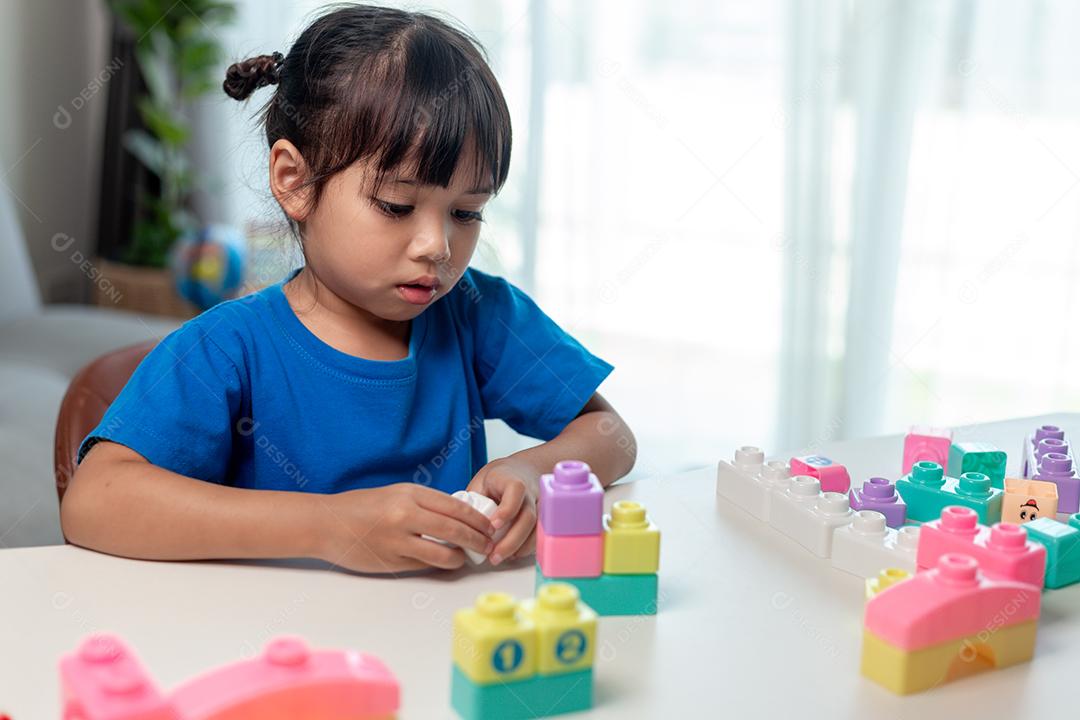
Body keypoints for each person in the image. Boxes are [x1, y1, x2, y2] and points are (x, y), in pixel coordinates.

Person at [61, 3, 635, 574]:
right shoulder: (226, 349)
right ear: (295, 182)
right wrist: (330, 527)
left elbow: (611, 434)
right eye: (396, 205)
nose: (437, 245)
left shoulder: (478, 315)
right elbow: (94, 501)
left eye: (466, 212)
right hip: (278, 648)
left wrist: (536, 472)